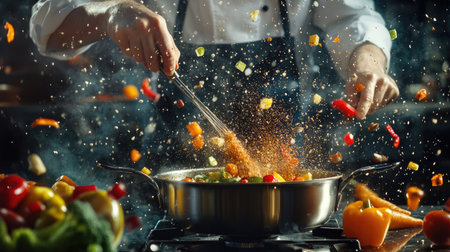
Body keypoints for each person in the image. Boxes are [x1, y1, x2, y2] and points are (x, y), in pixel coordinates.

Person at [29, 0, 399, 167]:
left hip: (285, 169)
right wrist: (112, 11)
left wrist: (368, 65)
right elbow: (46, 25)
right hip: (176, 178)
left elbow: (352, 17)